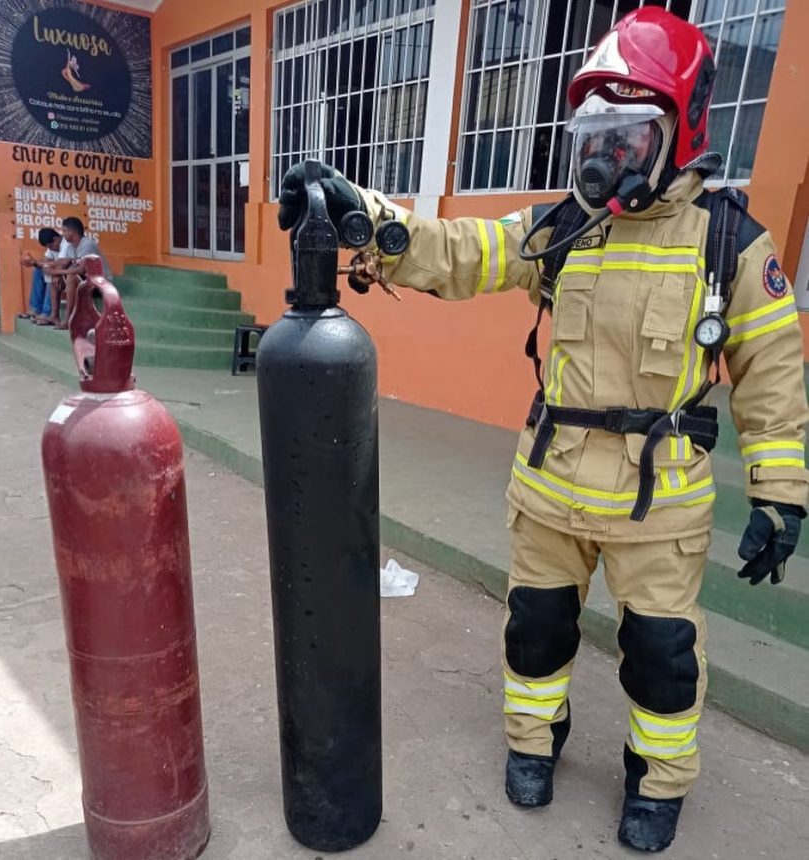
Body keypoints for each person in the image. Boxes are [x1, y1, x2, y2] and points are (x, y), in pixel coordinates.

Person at [277, 8, 808, 854]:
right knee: (535, 629)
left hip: (657, 504)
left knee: (664, 655)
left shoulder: (730, 244)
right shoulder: (563, 230)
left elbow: (774, 375)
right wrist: (364, 213)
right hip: (551, 486)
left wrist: (781, 495)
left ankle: (658, 782)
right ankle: (533, 745)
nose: (604, 160)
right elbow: (460, 251)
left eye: (627, 138)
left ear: (680, 133)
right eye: (591, 137)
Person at [48, 216, 112, 330]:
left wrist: (58, 271)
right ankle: (55, 316)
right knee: (55, 280)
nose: (63, 234)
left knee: (71, 277)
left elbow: (82, 269)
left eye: (64, 230)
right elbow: (63, 262)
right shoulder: (70, 246)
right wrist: (53, 271)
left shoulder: (87, 244)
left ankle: (68, 320)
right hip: (86, 281)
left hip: (100, 284)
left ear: (72, 232)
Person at [19, 228, 61, 321]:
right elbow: (46, 262)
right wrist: (33, 263)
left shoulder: (66, 244)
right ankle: (35, 308)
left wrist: (37, 263)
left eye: (51, 246)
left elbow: (61, 264)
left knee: (50, 273)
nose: (50, 249)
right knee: (38, 271)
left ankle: (47, 312)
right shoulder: (52, 247)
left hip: (68, 274)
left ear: (56, 239)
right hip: (58, 272)